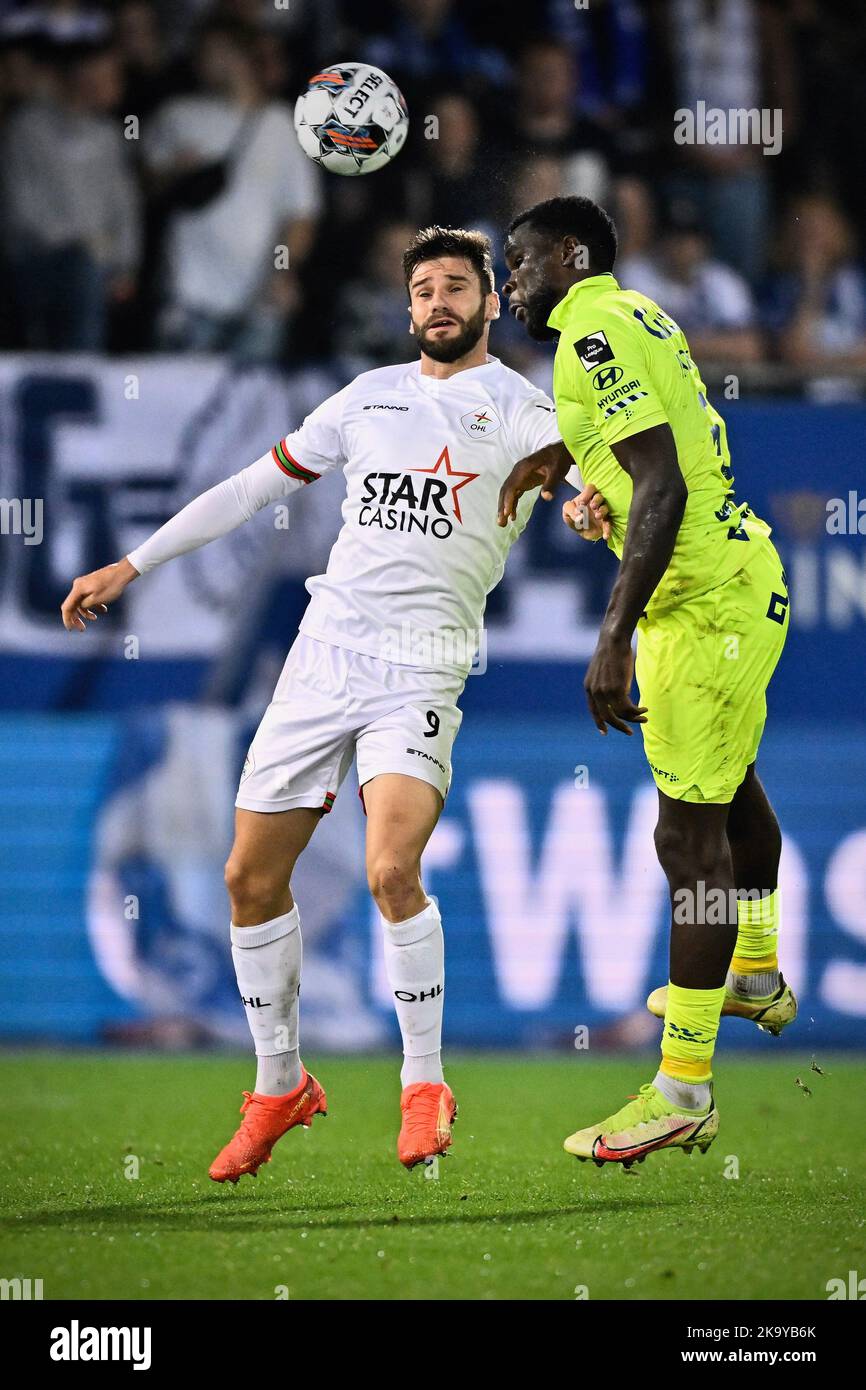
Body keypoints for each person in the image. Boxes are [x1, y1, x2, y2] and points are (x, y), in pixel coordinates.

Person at [60, 225, 605, 1183]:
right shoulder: (366, 398)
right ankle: (280, 1085)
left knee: (393, 867)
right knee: (246, 880)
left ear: (489, 302)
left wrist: (587, 498)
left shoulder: (520, 406)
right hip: (323, 661)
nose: (439, 302)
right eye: (424, 289)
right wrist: (132, 564)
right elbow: (245, 490)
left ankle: (424, 1081)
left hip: (423, 666)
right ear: (408, 310)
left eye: (458, 287)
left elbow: (589, 464)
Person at [500, 195, 796, 1166]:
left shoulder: (589, 328)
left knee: (686, 840)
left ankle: (680, 1089)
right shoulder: (633, 315)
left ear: (570, 254)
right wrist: (588, 480)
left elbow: (661, 483)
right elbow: (647, 471)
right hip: (730, 586)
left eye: (519, 260)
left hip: (701, 607)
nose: (510, 280)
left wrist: (611, 633)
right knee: (728, 790)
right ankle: (750, 971)